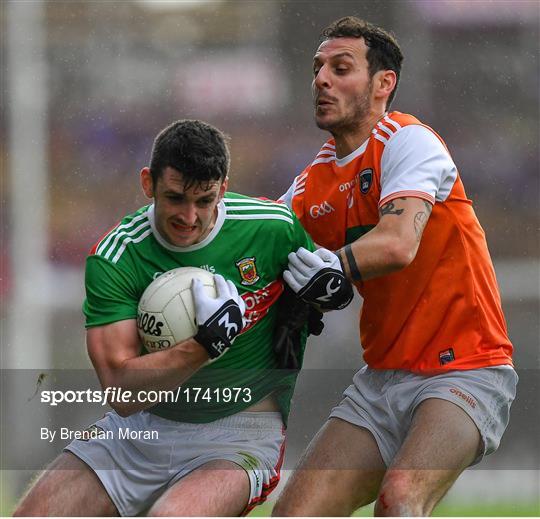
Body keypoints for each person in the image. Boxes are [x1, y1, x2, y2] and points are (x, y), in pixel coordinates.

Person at [14, 119, 344, 517]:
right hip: (139, 430)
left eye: (204, 201)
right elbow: (121, 394)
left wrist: (331, 293)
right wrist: (202, 347)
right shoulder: (117, 256)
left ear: (223, 187)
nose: (189, 217)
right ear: (147, 183)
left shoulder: (273, 228)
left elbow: (316, 292)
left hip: (240, 432)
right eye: (175, 198)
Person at [273, 16, 517, 517]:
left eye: (341, 68)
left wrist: (330, 267)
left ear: (384, 84)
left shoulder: (410, 141)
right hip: (380, 380)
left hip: (466, 369)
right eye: (318, 68)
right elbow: (258, 248)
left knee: (401, 497)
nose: (321, 79)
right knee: (293, 514)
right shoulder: (311, 183)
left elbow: (398, 243)